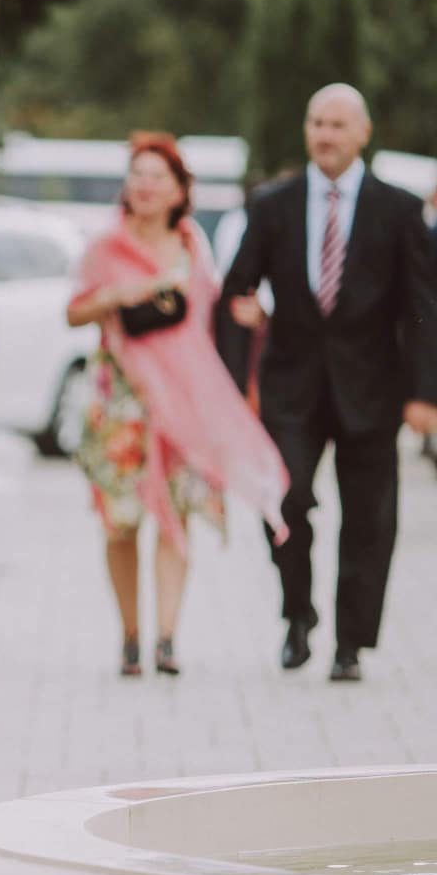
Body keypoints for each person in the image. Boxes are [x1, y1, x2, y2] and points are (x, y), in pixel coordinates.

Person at [222, 84, 437, 682]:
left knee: (369, 518)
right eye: (317, 122)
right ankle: (298, 613)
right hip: (290, 387)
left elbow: (421, 307)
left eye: (338, 124)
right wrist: (235, 379)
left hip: (373, 389)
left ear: (363, 134)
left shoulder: (399, 209)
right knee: (285, 500)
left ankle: (351, 644)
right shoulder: (273, 205)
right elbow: (236, 290)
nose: (325, 134)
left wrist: (425, 393)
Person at [67, 133, 289, 677]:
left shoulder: (193, 247)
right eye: (137, 175)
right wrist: (117, 295)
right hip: (123, 406)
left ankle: (166, 637)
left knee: (175, 519)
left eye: (157, 177)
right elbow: (73, 312)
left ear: (179, 191)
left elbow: (210, 321)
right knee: (121, 523)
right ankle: (130, 635)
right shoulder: (105, 248)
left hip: (183, 407)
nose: (144, 186)